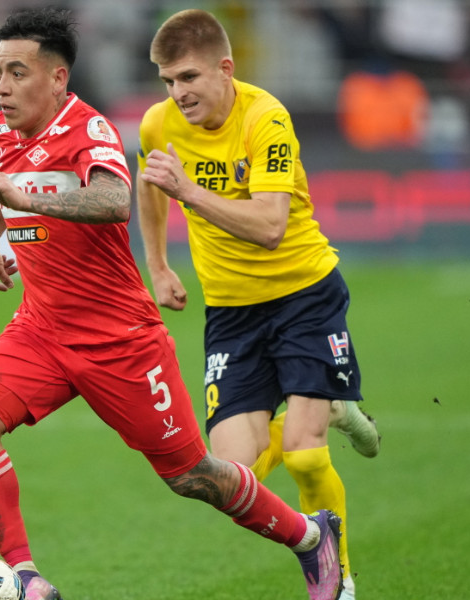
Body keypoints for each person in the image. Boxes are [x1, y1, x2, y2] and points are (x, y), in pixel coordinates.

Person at [0, 7, 344, 600]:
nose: (2, 86)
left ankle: (310, 537)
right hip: (41, 329)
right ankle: (27, 581)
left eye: (18, 73)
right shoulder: (3, 131)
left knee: (192, 476)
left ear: (57, 78)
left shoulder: (89, 131)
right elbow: (13, 177)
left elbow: (113, 200)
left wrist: (24, 198)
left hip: (119, 341)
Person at [136, 9, 381, 600]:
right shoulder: (159, 123)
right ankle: (330, 404)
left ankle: (339, 580)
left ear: (225, 68)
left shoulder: (265, 118)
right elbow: (151, 185)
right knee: (226, 480)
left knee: (304, 457)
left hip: (304, 296)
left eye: (189, 77)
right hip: (231, 314)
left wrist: (189, 191)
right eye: (168, 81)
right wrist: (159, 265)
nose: (178, 93)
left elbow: (271, 226)